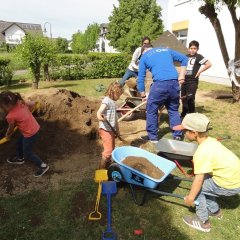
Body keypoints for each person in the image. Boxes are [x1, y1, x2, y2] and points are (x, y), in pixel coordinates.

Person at [173, 113, 240, 232]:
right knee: (205, 184)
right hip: (234, 177)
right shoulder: (211, 141)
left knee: (198, 189)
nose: (183, 133)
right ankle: (215, 211)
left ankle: (203, 222)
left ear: (194, 133)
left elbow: (198, 180)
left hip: (230, 184)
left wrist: (191, 197)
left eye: (185, 131)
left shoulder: (201, 152)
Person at [137, 44, 188, 142]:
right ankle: (177, 135)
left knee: (151, 110)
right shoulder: (166, 50)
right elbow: (184, 59)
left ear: (143, 51)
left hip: (159, 85)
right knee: (173, 110)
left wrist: (143, 94)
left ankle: (153, 137)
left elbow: (141, 78)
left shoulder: (144, 56)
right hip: (174, 83)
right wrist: (182, 76)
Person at [0, 91, 49, 177]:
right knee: (19, 143)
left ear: (7, 105)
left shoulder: (10, 116)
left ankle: (43, 166)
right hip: (31, 129)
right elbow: (33, 103)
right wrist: (30, 110)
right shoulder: (21, 102)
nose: (2, 108)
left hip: (30, 134)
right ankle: (20, 159)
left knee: (28, 153)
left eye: (2, 106)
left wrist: (7, 135)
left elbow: (11, 128)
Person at [181, 40, 212, 118]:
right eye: (191, 48)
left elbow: (208, 64)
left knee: (190, 98)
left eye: (194, 48)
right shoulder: (185, 56)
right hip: (184, 80)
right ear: (188, 48)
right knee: (183, 98)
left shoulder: (198, 56)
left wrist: (199, 72)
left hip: (192, 81)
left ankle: (192, 115)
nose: (192, 50)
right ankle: (184, 113)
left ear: (197, 49)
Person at [97, 81, 123, 169]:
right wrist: (100, 117)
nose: (119, 97)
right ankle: (101, 171)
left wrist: (117, 131)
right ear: (113, 92)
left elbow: (115, 120)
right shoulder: (106, 100)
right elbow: (99, 112)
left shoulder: (113, 102)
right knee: (108, 151)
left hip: (111, 130)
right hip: (105, 130)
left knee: (112, 148)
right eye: (118, 95)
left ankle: (108, 166)